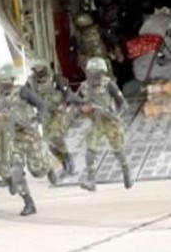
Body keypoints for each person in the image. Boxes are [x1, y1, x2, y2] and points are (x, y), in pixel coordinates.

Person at [0, 64, 53, 216]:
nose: (4, 84)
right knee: (15, 170)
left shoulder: (22, 91)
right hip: (14, 138)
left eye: (7, 80)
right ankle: (29, 203)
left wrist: (38, 119)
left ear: (12, 80)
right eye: (1, 80)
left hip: (30, 134)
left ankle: (48, 167)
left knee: (38, 171)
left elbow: (42, 105)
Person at [73, 57, 133, 191]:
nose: (94, 76)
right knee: (90, 150)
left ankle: (126, 172)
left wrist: (118, 115)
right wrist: (82, 109)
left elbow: (123, 103)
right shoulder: (84, 86)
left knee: (118, 150)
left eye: (97, 73)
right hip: (96, 122)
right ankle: (91, 180)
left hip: (111, 122)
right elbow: (74, 103)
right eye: (91, 72)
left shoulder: (108, 84)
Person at [27, 59, 75, 178]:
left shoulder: (55, 78)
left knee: (55, 136)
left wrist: (64, 104)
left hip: (58, 112)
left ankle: (68, 158)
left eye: (40, 70)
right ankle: (64, 162)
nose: (38, 73)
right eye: (35, 70)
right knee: (49, 142)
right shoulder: (31, 82)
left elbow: (67, 92)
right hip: (45, 113)